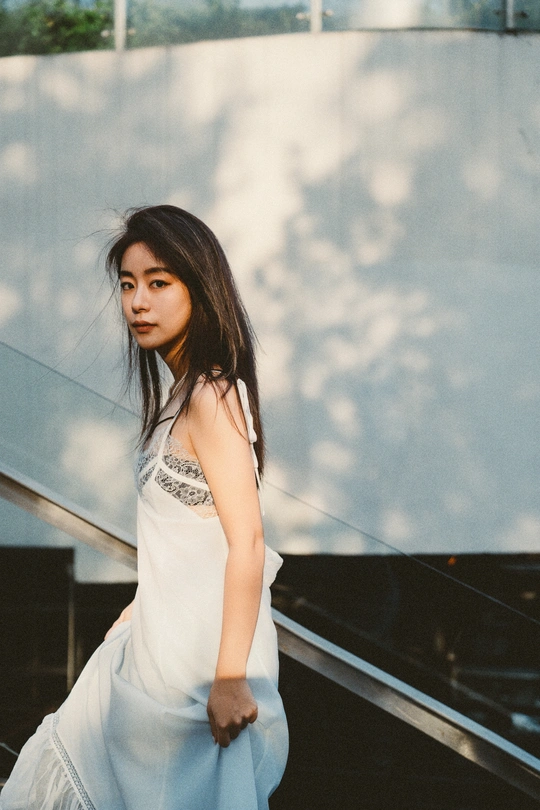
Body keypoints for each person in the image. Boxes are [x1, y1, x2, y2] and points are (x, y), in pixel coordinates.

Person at [0, 205, 288, 809]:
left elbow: (248, 541)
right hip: (161, 645)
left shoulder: (211, 394)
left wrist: (230, 677)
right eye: (128, 285)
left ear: (200, 289)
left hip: (201, 661)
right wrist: (138, 607)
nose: (137, 302)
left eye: (158, 283)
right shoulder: (181, 397)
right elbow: (187, 534)